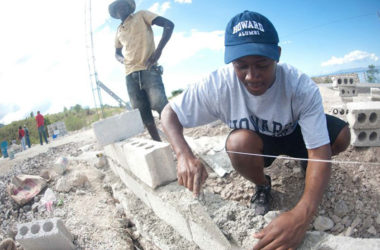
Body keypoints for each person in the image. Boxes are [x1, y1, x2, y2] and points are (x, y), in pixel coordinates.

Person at [161, 11, 351, 250]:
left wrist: (302, 214)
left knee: (342, 136)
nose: (252, 76)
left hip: (296, 132)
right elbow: (169, 113)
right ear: (230, 62)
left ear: (277, 56)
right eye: (241, 66)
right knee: (237, 144)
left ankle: (306, 166)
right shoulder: (218, 85)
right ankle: (262, 185)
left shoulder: (300, 86)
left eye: (262, 65)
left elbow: (320, 150)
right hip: (259, 142)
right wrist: (183, 155)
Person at [109, 0, 174, 141]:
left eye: (124, 5)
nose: (121, 8)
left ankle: (178, 143)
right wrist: (122, 60)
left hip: (148, 68)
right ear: (115, 12)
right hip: (129, 74)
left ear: (129, 7)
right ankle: (159, 144)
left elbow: (169, 25)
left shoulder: (142, 15)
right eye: (118, 7)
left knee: (162, 107)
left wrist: (158, 51)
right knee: (142, 113)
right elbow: (117, 52)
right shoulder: (119, 30)